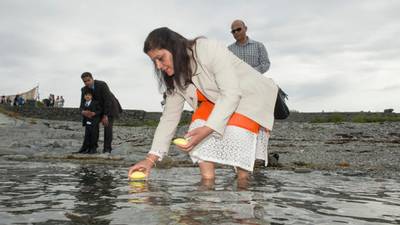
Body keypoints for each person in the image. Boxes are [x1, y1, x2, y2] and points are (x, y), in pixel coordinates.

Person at [128, 27, 278, 183]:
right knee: (196, 129)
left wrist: (208, 129)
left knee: (238, 138)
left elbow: (231, 93)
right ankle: (206, 188)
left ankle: (243, 190)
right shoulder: (174, 77)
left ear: (174, 48)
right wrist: (150, 160)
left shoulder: (208, 49)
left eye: (160, 58)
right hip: (214, 99)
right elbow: (169, 118)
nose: (158, 66)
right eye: (154, 61)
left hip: (249, 97)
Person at [80, 72, 122, 154]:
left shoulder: (102, 85)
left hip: (110, 107)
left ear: (92, 78)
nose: (87, 82)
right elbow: (82, 104)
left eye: (88, 80)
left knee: (107, 127)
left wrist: (105, 115)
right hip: (97, 110)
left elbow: (108, 101)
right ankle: (92, 148)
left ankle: (107, 149)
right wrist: (83, 111)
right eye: (85, 81)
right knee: (92, 126)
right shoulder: (84, 89)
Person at [74, 88, 102, 154]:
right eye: (86, 95)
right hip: (87, 122)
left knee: (94, 135)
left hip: (94, 122)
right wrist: (83, 111)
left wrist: (94, 113)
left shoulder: (95, 103)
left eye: (89, 95)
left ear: (91, 96)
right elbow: (80, 110)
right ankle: (85, 148)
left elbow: (100, 110)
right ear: (84, 96)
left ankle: (93, 149)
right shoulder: (84, 104)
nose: (87, 96)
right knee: (87, 136)